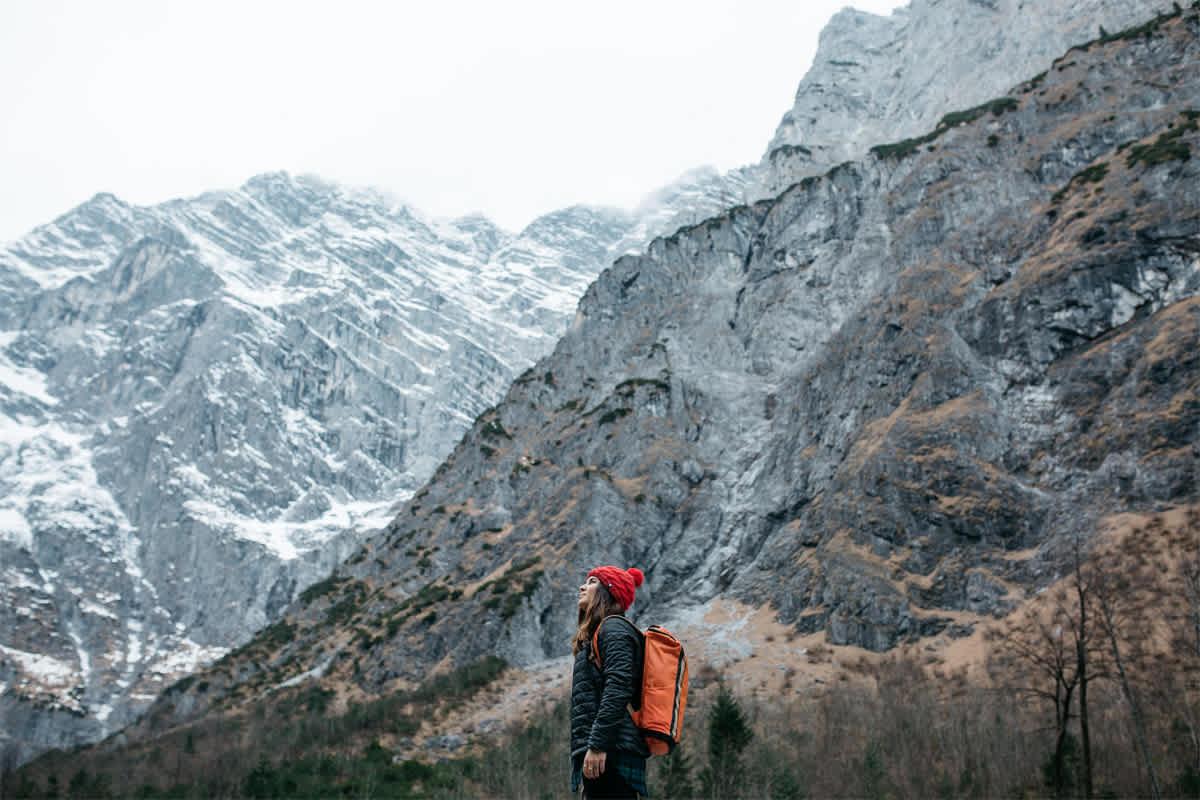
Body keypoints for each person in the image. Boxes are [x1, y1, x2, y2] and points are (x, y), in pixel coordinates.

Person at [570, 565, 650, 799]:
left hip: (611, 754)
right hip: (604, 754)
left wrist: (597, 745)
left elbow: (618, 688)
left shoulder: (614, 629)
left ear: (609, 592)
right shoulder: (600, 634)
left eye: (593, 581)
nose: (583, 586)